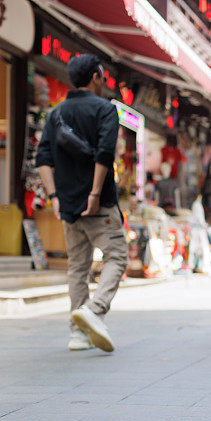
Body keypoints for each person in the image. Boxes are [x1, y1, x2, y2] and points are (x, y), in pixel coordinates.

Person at [35, 54, 128, 353]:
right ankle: (95, 309)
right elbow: (104, 154)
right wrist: (95, 193)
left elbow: (43, 159)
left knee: (77, 267)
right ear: (97, 77)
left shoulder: (56, 113)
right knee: (117, 256)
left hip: (68, 205)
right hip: (98, 204)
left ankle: (77, 334)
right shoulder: (105, 110)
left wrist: (54, 198)